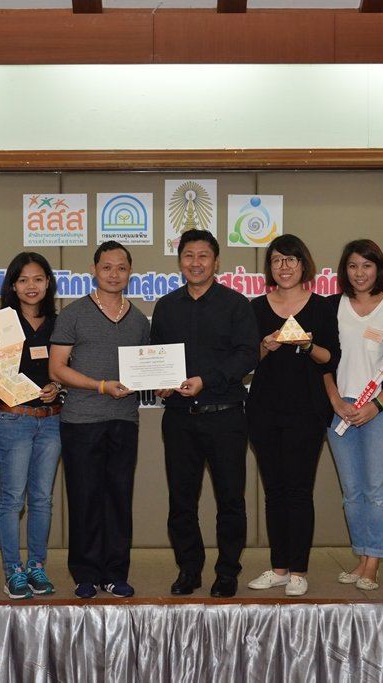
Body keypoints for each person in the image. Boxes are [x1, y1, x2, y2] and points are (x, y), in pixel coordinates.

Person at [150, 230, 259, 598]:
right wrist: (161, 383)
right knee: (181, 500)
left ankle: (227, 572)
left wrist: (205, 380)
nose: (195, 263)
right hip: (179, 418)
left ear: (216, 262)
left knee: (230, 499)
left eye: (203, 256)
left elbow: (248, 355)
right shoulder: (166, 306)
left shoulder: (236, 305)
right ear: (179, 260)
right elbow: (156, 354)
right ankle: (189, 569)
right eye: (188, 256)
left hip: (225, 416)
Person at [49, 241, 150, 599]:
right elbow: (57, 369)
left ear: (130, 272)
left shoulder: (139, 320)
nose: (114, 274)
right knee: (84, 498)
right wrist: (101, 385)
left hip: (124, 420)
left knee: (119, 498)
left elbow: (147, 369)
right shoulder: (73, 314)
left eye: (121, 268)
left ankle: (115, 572)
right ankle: (86, 573)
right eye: (107, 267)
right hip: (81, 420)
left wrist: (163, 381)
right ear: (93, 270)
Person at [245, 235, 339, 597]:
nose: (284, 267)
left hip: (307, 410)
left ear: (304, 264)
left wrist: (308, 344)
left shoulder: (321, 306)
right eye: (277, 260)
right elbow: (245, 362)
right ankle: (279, 568)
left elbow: (331, 358)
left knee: (299, 491)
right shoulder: (255, 307)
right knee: (274, 492)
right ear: (269, 267)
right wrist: (264, 347)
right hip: (264, 411)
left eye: (291, 260)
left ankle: (299, 570)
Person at [325, 239, 383, 591]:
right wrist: (335, 401)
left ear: (379, 269)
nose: (359, 273)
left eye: (367, 265)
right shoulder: (331, 306)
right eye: (352, 266)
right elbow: (322, 361)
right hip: (341, 409)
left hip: (381, 408)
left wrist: (376, 405)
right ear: (344, 270)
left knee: (376, 490)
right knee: (351, 491)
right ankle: (361, 557)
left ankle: (373, 562)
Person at [0, 252, 62, 600]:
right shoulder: (1, 326)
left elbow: (64, 369)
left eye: (38, 279)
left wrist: (58, 386)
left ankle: (36, 565)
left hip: (51, 421)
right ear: (13, 285)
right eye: (23, 280)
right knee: (12, 499)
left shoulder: (59, 323)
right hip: (14, 419)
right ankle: (13, 570)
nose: (31, 286)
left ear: (48, 283)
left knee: (42, 499)